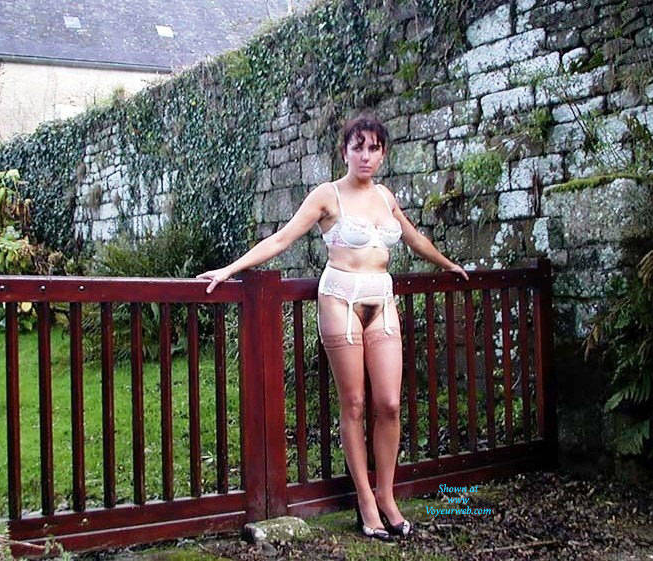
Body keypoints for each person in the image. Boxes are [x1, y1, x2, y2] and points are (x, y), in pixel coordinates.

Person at [197, 114, 469, 541]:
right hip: (339, 299)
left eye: (374, 148)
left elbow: (414, 239)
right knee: (354, 403)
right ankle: (365, 502)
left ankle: (387, 495)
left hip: (382, 300)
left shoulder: (385, 197)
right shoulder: (328, 195)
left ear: (383, 154)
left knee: (389, 404)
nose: (366, 155)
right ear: (344, 151)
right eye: (358, 147)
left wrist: (449, 265)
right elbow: (281, 239)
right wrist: (229, 269)